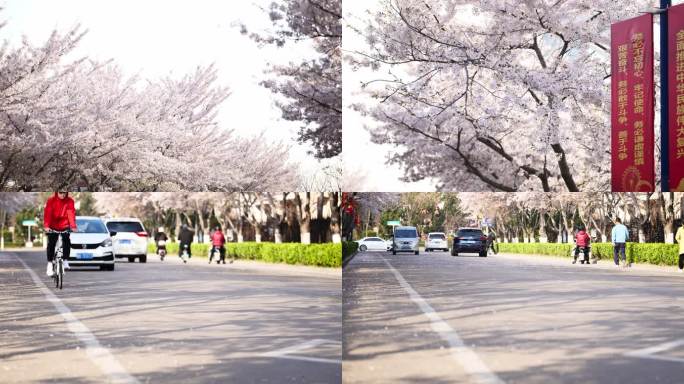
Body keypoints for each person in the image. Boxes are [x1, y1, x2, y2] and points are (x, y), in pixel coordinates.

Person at [43, 191, 78, 276]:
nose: (62, 195)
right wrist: (47, 226)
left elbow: (71, 214)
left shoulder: (70, 201)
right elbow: (48, 214)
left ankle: (65, 260)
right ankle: (50, 264)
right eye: (60, 193)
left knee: (66, 240)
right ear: (56, 192)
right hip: (53, 225)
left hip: (64, 225)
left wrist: (73, 226)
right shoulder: (51, 201)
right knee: (51, 243)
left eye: (64, 193)